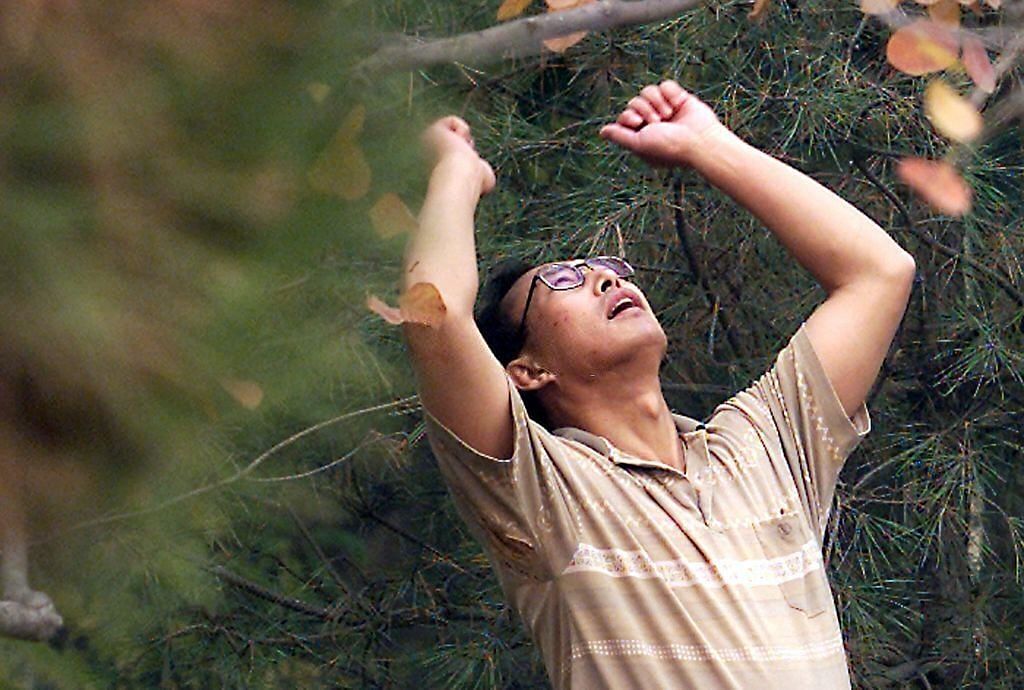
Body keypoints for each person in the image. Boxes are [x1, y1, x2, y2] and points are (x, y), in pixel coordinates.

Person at [401, 80, 915, 689]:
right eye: (565, 279)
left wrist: (709, 144)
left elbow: (880, 273)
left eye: (612, 268)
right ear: (529, 371)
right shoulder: (540, 488)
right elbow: (434, 318)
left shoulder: (767, 446)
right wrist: (457, 173)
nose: (605, 279)